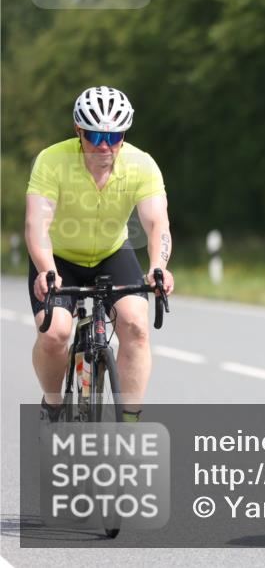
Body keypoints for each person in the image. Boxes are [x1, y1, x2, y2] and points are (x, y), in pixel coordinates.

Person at [25, 86, 174, 424]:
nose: (104, 145)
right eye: (94, 135)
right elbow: (37, 224)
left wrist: (158, 268)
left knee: (136, 326)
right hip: (58, 258)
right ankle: (52, 404)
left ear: (124, 135)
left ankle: (131, 424)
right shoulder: (52, 161)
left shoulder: (141, 164)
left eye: (114, 135)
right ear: (79, 132)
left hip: (112, 253)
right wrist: (47, 271)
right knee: (55, 334)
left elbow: (156, 223)